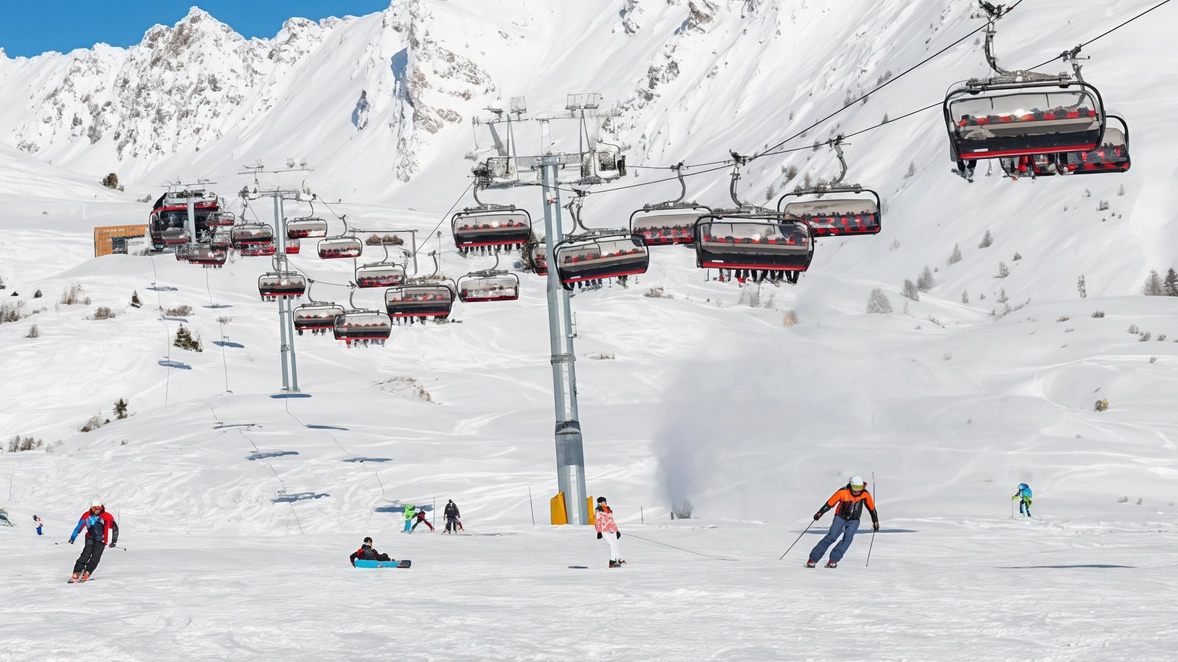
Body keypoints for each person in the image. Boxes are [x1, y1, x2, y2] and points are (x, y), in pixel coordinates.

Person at [807, 476, 879, 569]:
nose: (857, 491)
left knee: (847, 539)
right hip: (840, 517)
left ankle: (833, 560)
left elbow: (872, 509)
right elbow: (830, 503)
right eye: (855, 488)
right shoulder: (843, 492)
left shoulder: (865, 494)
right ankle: (812, 559)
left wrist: (875, 521)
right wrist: (820, 513)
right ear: (851, 486)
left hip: (854, 520)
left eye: (859, 488)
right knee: (831, 537)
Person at [68, 499, 119, 583]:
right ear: (91, 508)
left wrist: (113, 541)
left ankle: (87, 572)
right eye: (94, 508)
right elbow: (79, 527)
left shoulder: (107, 516)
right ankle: (76, 573)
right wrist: (72, 538)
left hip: (102, 540)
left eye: (98, 508)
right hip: (90, 537)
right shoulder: (86, 515)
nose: (96, 510)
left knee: (96, 557)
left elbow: (114, 529)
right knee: (85, 554)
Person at [594, 496, 624, 568]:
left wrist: (616, 530)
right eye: (602, 502)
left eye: (604, 502)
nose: (603, 503)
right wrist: (599, 531)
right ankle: (612, 561)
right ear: (599, 503)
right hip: (604, 530)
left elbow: (612, 521)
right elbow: (598, 522)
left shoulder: (609, 510)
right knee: (612, 544)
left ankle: (618, 558)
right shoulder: (598, 511)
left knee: (615, 543)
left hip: (612, 529)